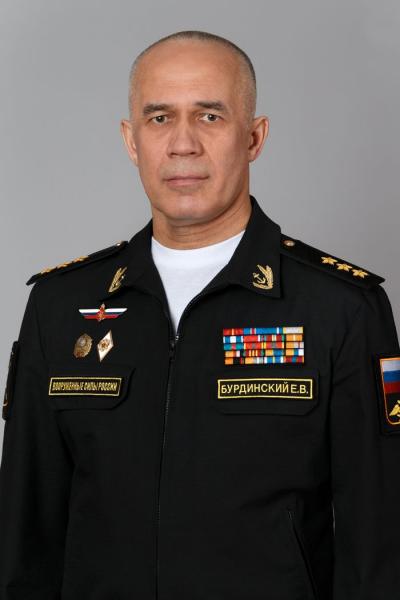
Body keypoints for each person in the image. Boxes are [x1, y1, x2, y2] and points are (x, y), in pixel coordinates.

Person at [0, 29, 399, 600]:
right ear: (131, 139)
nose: (182, 144)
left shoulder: (340, 307)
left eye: (210, 117)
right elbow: (24, 540)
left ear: (254, 137)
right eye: (159, 118)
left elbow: (379, 549)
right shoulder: (59, 306)